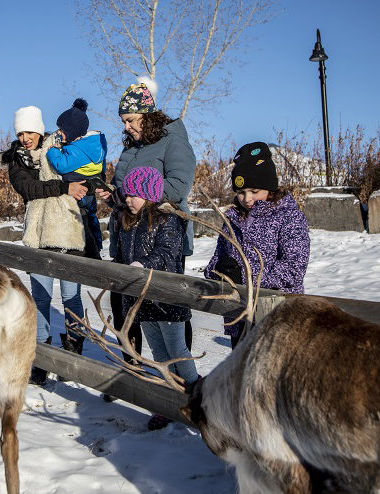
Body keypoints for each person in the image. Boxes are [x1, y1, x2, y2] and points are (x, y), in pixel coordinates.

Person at [95, 78, 197, 383]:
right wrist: (112, 195)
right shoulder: (130, 150)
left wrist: (142, 193)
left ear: (147, 115)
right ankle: (141, 376)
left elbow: (178, 186)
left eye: (130, 120)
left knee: (170, 312)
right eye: (124, 122)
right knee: (132, 310)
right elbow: (127, 192)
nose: (126, 127)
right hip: (129, 239)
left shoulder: (172, 141)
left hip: (162, 238)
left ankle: (184, 383)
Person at [0, 106, 93, 386]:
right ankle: (40, 359)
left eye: (29, 131)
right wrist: (64, 188)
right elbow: (30, 190)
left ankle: (72, 355)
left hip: (68, 232)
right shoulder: (17, 161)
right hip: (38, 237)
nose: (25, 137)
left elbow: (81, 174)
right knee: (40, 300)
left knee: (71, 297)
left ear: (39, 130)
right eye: (20, 133)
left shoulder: (60, 148)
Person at [113, 166, 197, 430]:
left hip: (166, 297)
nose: (128, 200)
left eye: (133, 195)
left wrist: (142, 265)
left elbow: (167, 252)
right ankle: (170, 401)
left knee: (177, 351)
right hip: (142, 299)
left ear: (149, 194)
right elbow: (123, 255)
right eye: (126, 195)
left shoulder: (167, 219)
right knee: (159, 353)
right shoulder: (127, 221)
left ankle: (197, 395)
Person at [204, 142, 311, 348]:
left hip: (276, 316)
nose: (247, 199)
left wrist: (243, 278)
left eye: (254, 190)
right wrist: (219, 271)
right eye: (241, 192)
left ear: (269, 186)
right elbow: (216, 258)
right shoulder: (233, 218)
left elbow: (294, 268)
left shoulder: (289, 217)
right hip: (239, 315)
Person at [46, 98, 107, 255]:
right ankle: (97, 246)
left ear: (73, 132)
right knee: (91, 219)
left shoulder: (78, 150)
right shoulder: (93, 146)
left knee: (82, 223)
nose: (59, 132)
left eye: (62, 129)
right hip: (90, 190)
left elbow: (61, 166)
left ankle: (92, 252)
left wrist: (52, 151)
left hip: (78, 190)